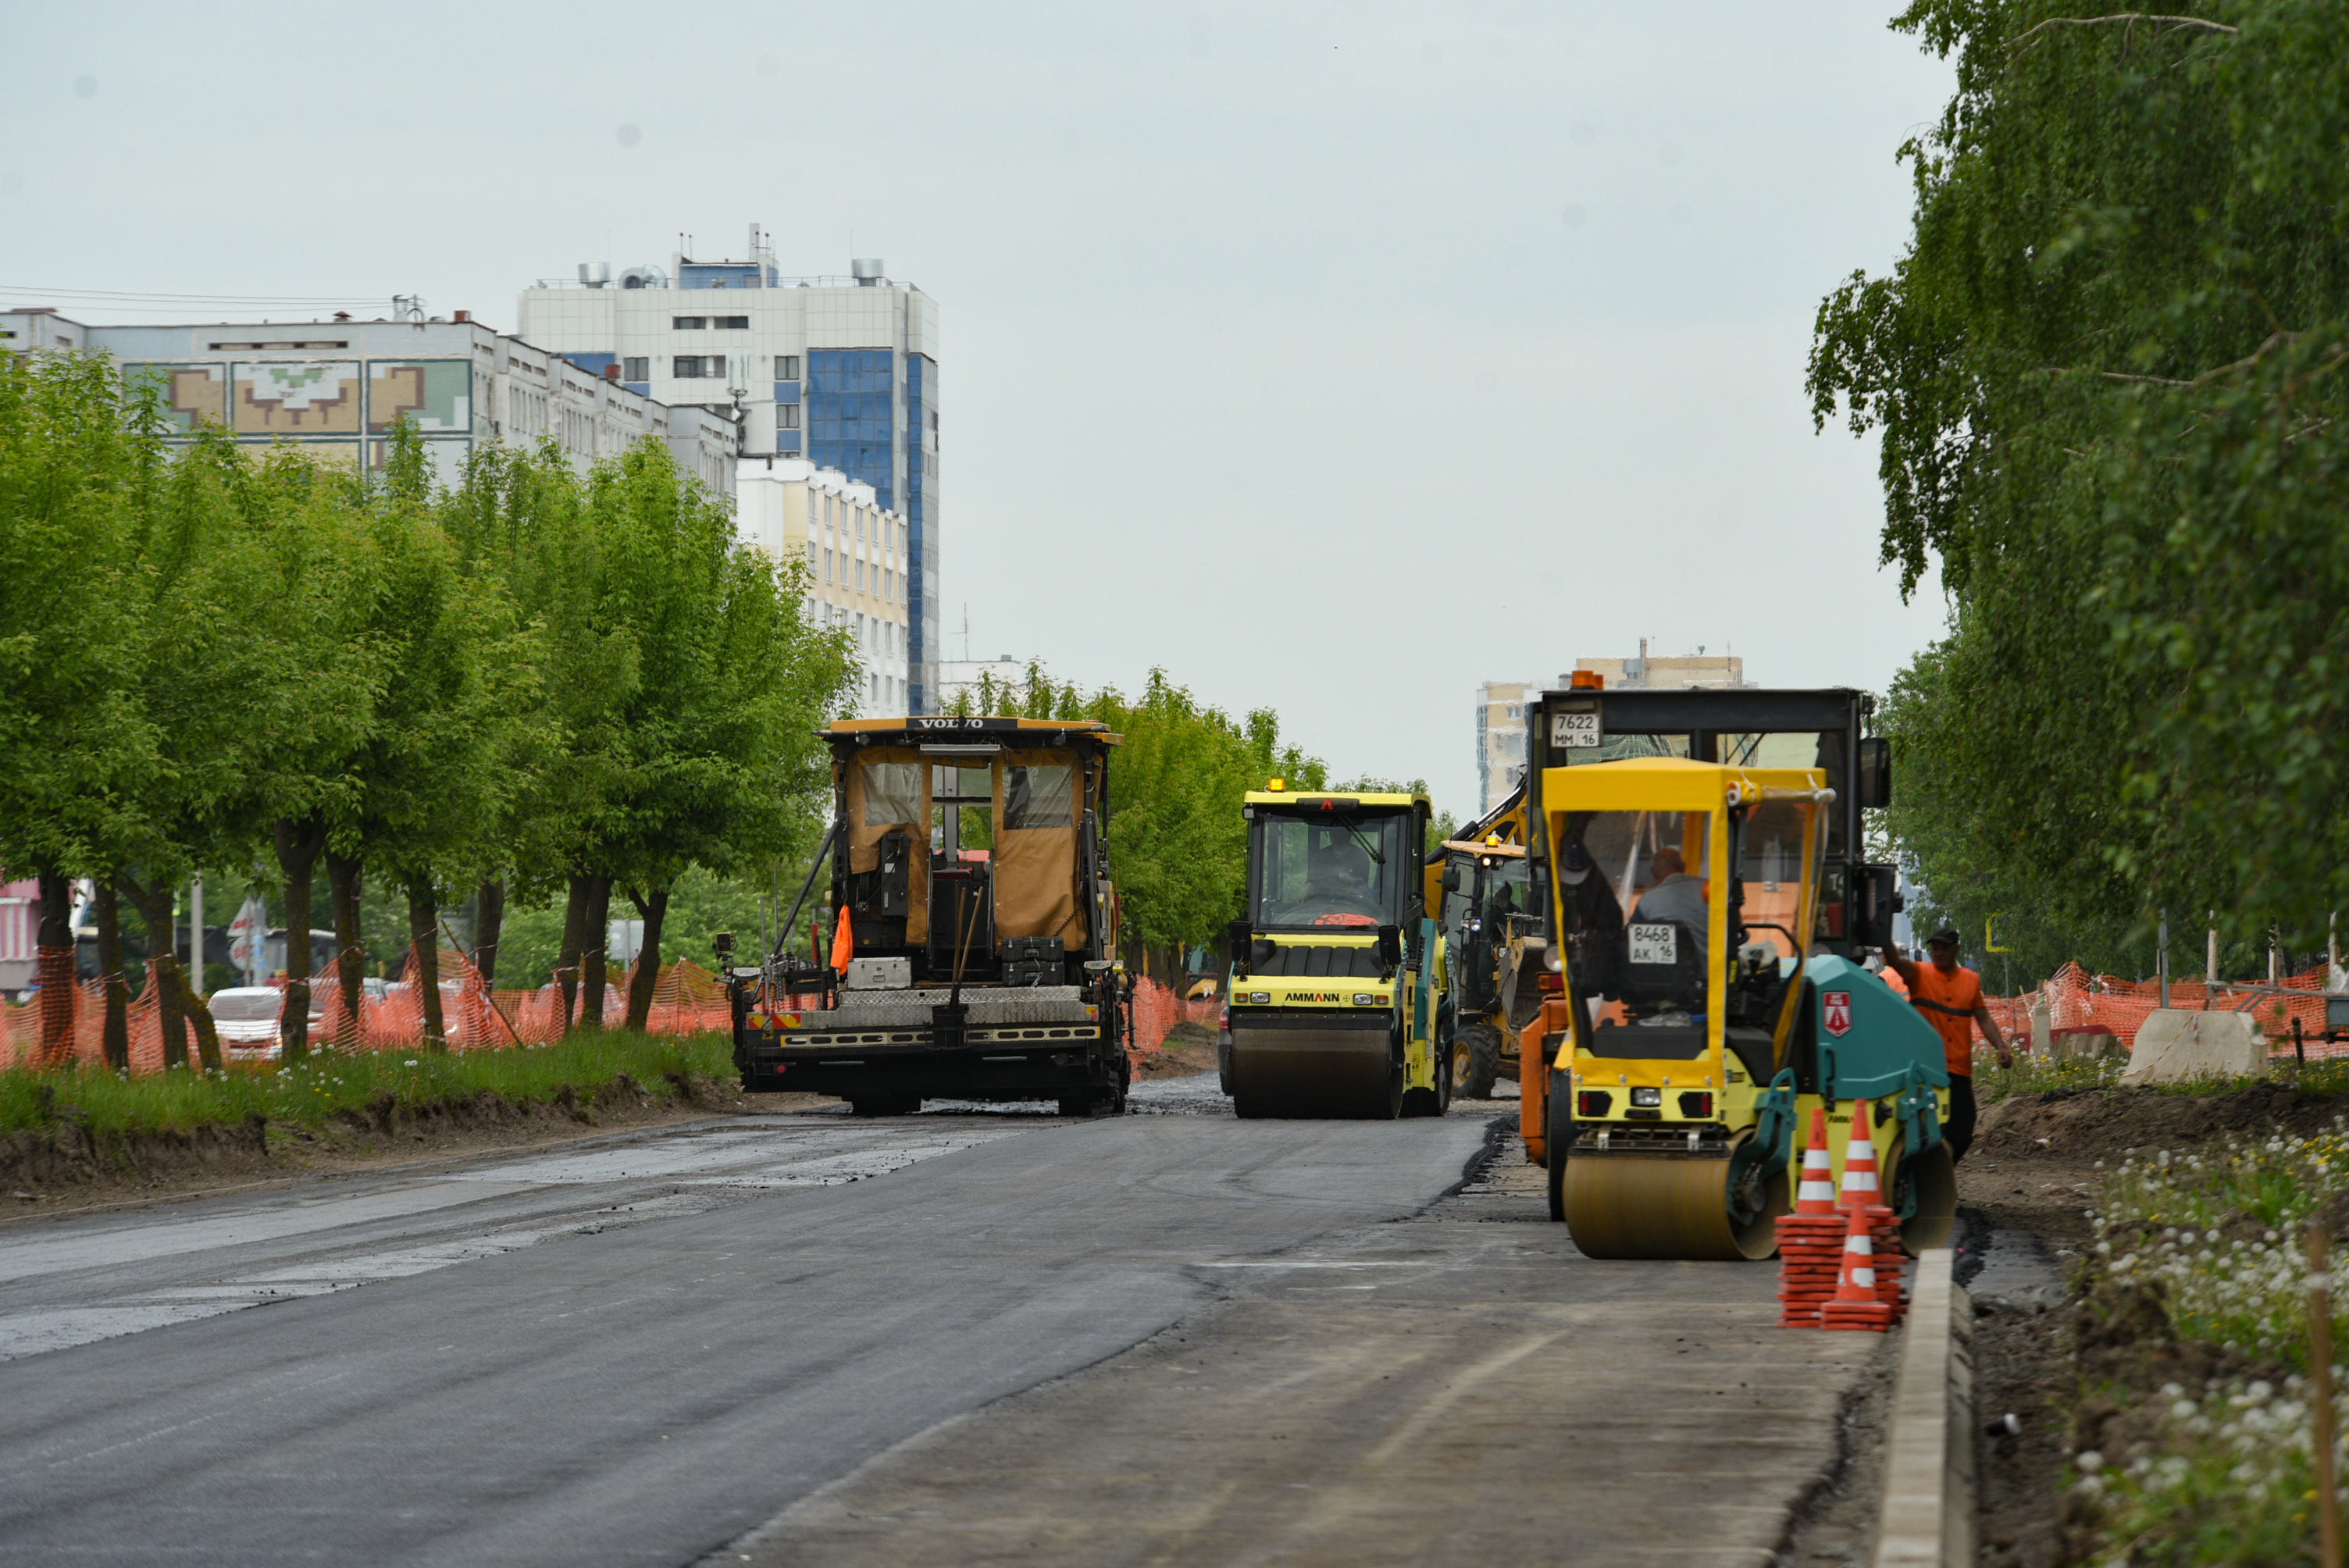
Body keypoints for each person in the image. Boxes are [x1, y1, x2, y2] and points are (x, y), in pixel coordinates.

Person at [1884, 926, 2012, 1164]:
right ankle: (1924, 1177)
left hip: (1958, 1072)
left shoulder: (1970, 981)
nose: (1939, 953)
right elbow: (1893, 959)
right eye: (1935, 948)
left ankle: (1939, 1171)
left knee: (1962, 1132)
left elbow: (1983, 1018)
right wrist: (1882, 935)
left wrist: (2001, 1047)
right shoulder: (1919, 974)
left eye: (1944, 948)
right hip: (1925, 1072)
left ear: (1956, 949)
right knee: (1921, 1129)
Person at [1630, 846, 1709, 972]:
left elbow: (1633, 940)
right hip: (1714, 979)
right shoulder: (1709, 889)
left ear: (1653, 871)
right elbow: (1734, 928)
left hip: (1668, 983)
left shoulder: (1646, 901)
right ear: (1683, 867)